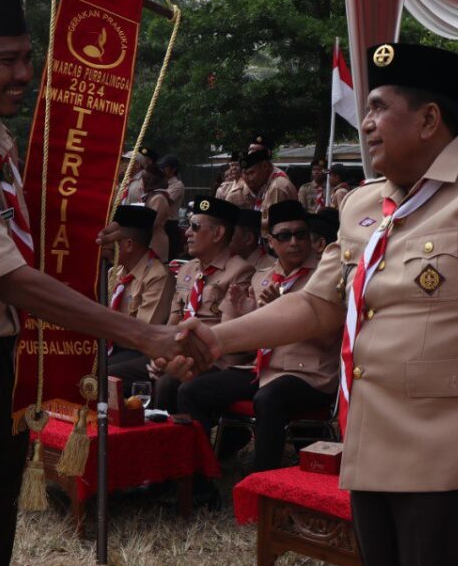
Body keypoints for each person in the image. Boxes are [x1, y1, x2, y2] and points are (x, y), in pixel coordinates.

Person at [173, 43, 458, 566]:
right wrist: (219, 338)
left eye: (380, 107)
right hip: (373, 452)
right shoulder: (364, 203)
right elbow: (318, 304)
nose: (366, 123)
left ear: (430, 118)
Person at [0, 0, 189, 566]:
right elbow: (10, 279)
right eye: (8, 60)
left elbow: (21, 245)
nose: (25, 74)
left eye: (29, 57)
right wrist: (144, 335)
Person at [173, 200, 339, 471]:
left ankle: (263, 483)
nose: (294, 242)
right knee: (192, 390)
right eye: (284, 236)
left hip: (309, 374)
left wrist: (283, 318)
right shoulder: (262, 277)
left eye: (301, 234)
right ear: (271, 241)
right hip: (261, 369)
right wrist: (248, 313)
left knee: (268, 398)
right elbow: (245, 341)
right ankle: (200, 478)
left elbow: (330, 336)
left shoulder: (325, 276)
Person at [154, 195, 255, 412]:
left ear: (218, 233)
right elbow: (174, 319)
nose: (187, 233)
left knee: (175, 385)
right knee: (152, 376)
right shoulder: (187, 269)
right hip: (184, 352)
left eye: (195, 227)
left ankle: (190, 444)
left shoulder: (239, 271)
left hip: (216, 359)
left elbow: (226, 332)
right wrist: (163, 353)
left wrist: (178, 357)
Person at [106, 205, 177, 390]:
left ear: (128, 244)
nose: (106, 246)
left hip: (138, 349)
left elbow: (144, 333)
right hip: (113, 345)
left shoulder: (157, 275)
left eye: (113, 241)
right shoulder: (115, 272)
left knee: (101, 372)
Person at [240, 147, 298, 230]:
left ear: (265, 166)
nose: (250, 178)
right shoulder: (267, 184)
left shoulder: (276, 187)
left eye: (252, 173)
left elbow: (272, 225)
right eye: (247, 174)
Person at [229, 208, 276, 275]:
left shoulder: (271, 269)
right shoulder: (229, 262)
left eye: (230, 233)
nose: (224, 237)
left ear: (249, 238)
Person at [140, 162, 171, 262]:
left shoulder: (159, 198)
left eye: (143, 179)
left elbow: (152, 222)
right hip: (148, 241)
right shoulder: (150, 196)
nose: (141, 183)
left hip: (155, 243)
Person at [158, 154, 185, 261]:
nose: (161, 170)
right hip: (160, 224)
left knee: (168, 259)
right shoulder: (161, 183)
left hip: (170, 225)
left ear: (173, 170)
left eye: (164, 167)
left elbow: (163, 202)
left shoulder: (177, 185)